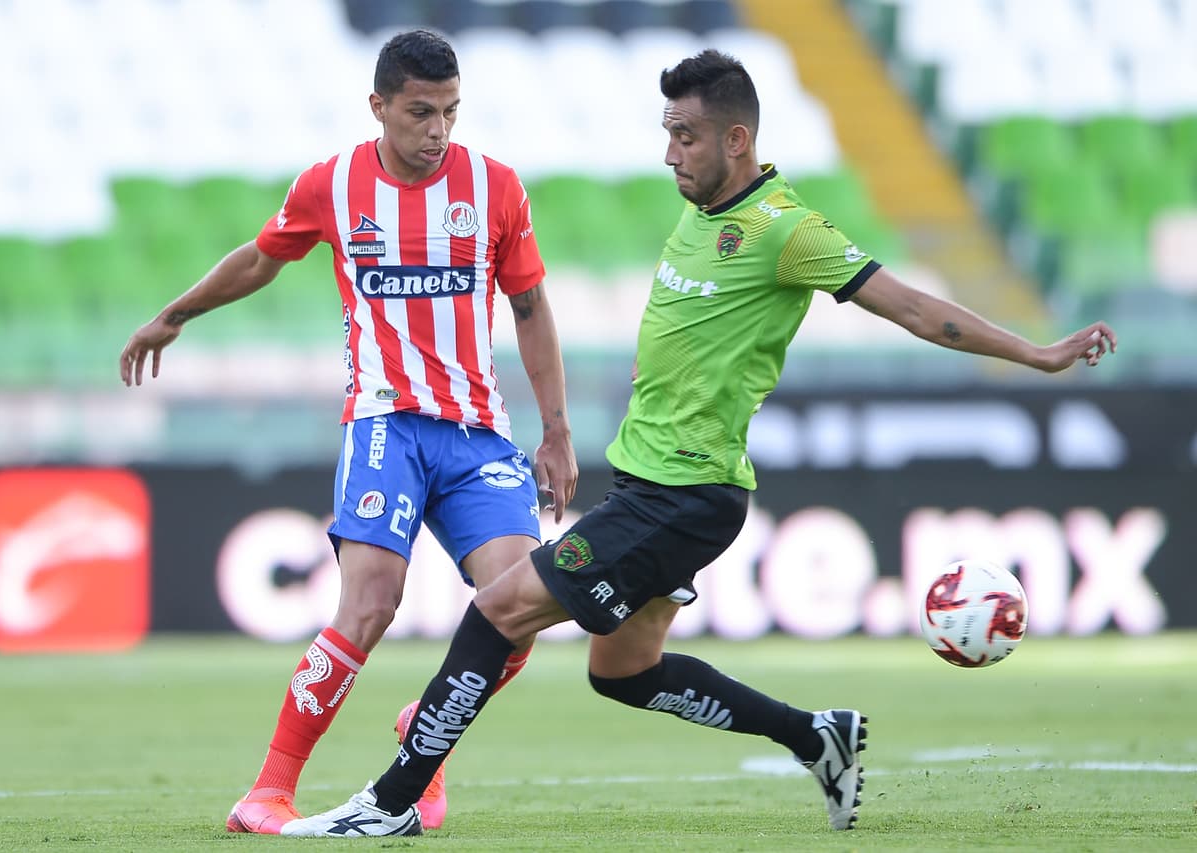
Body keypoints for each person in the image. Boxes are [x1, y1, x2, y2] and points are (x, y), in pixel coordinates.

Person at [280, 49, 1118, 838]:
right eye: (668, 134)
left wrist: (1035, 353)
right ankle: (815, 735)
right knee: (624, 673)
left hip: (684, 498)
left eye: (686, 136)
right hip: (651, 491)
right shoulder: (700, 212)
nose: (672, 153)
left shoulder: (788, 230)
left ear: (736, 139)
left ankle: (390, 802)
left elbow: (911, 306)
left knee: (497, 609)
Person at [118, 29, 578, 835]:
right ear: (380, 107)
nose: (439, 131)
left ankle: (424, 727)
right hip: (383, 426)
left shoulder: (495, 187)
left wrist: (557, 430)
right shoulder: (331, 184)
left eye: (452, 112)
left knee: (522, 608)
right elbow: (263, 258)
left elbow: (531, 308)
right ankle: (267, 790)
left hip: (475, 434)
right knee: (369, 603)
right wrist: (174, 315)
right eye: (421, 113)